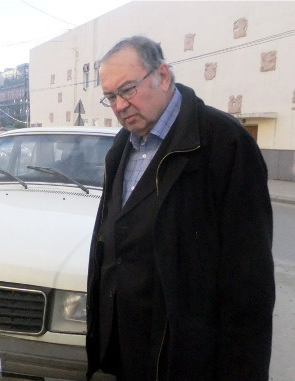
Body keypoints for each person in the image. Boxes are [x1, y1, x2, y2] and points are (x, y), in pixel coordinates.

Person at [86, 36, 275, 380]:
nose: (119, 105)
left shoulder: (224, 142)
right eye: (110, 96)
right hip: (126, 347)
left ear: (163, 75)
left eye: (127, 89)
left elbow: (249, 279)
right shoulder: (121, 147)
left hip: (185, 354)